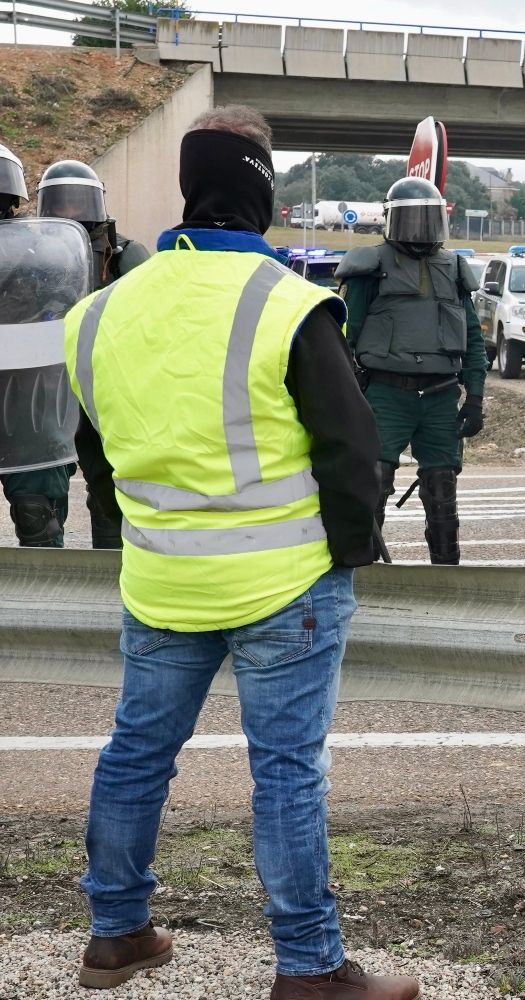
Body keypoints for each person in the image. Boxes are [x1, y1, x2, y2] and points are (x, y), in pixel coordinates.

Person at [62, 105, 415, 999]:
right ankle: (309, 968)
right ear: (260, 186)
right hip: (283, 584)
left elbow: (96, 457)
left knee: (137, 753)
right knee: (287, 772)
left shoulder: (99, 312)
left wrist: (146, 532)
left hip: (161, 578)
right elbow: (351, 449)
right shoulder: (287, 303)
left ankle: (116, 934)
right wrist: (349, 553)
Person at [336, 175, 487, 565]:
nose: (420, 231)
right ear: (391, 221)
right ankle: (364, 572)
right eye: (411, 220)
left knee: (442, 489)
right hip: (385, 393)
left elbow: (472, 340)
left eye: (427, 220)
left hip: (440, 395)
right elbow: (345, 336)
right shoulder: (370, 267)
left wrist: (475, 400)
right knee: (374, 483)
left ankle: (446, 572)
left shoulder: (454, 269)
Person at [37, 158, 149, 550]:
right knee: (38, 502)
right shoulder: (32, 254)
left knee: (109, 498)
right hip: (46, 389)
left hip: (107, 388)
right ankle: (41, 586)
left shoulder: (124, 256)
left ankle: (108, 579)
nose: (71, 211)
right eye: (61, 202)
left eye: (78, 201)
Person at [0, 142, 80, 548]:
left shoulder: (43, 250)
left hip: (28, 400)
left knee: (39, 518)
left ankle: (51, 597)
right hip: (28, 401)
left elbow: (64, 309)